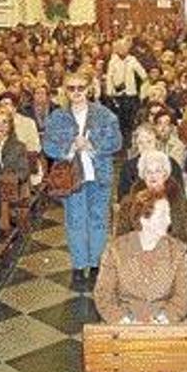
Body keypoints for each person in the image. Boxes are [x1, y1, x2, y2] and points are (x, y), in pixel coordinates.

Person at [43, 73, 122, 291]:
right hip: (71, 177)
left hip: (99, 175)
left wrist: (91, 144)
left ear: (88, 89)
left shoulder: (105, 115)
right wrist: (69, 147)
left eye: (80, 88)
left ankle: (96, 264)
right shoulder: (57, 117)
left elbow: (117, 141)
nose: (76, 93)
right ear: (65, 91)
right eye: (71, 88)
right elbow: (48, 145)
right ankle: (79, 266)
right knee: (75, 221)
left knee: (98, 220)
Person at [94, 189, 187, 324]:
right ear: (144, 219)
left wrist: (164, 318)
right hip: (125, 323)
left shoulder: (178, 251)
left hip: (165, 324)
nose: (169, 220)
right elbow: (104, 295)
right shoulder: (116, 250)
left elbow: (183, 296)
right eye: (163, 215)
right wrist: (124, 319)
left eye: (168, 214)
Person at [117, 150, 187, 243]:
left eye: (158, 171)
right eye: (148, 172)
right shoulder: (129, 203)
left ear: (165, 174)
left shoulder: (181, 202)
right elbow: (121, 239)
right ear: (143, 176)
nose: (153, 175)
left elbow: (185, 236)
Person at [118, 124, 184, 199]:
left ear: (157, 142)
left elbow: (180, 195)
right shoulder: (128, 168)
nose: (145, 146)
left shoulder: (171, 164)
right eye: (140, 143)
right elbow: (123, 197)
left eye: (149, 142)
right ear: (136, 145)